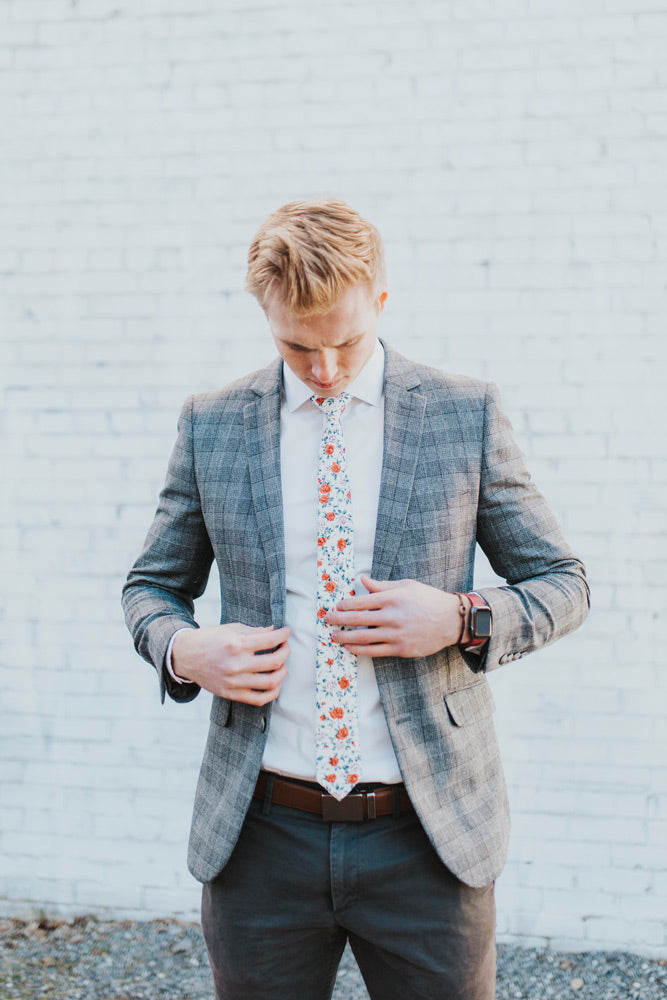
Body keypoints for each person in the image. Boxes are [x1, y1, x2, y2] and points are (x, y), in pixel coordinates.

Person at [122, 198, 589, 1000]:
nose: (325, 369)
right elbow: (151, 588)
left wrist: (460, 617)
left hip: (428, 836)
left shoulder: (461, 414)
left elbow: (562, 582)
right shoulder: (213, 424)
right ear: (263, 313)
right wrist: (184, 649)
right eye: (296, 345)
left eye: (344, 341)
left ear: (380, 300)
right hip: (259, 836)